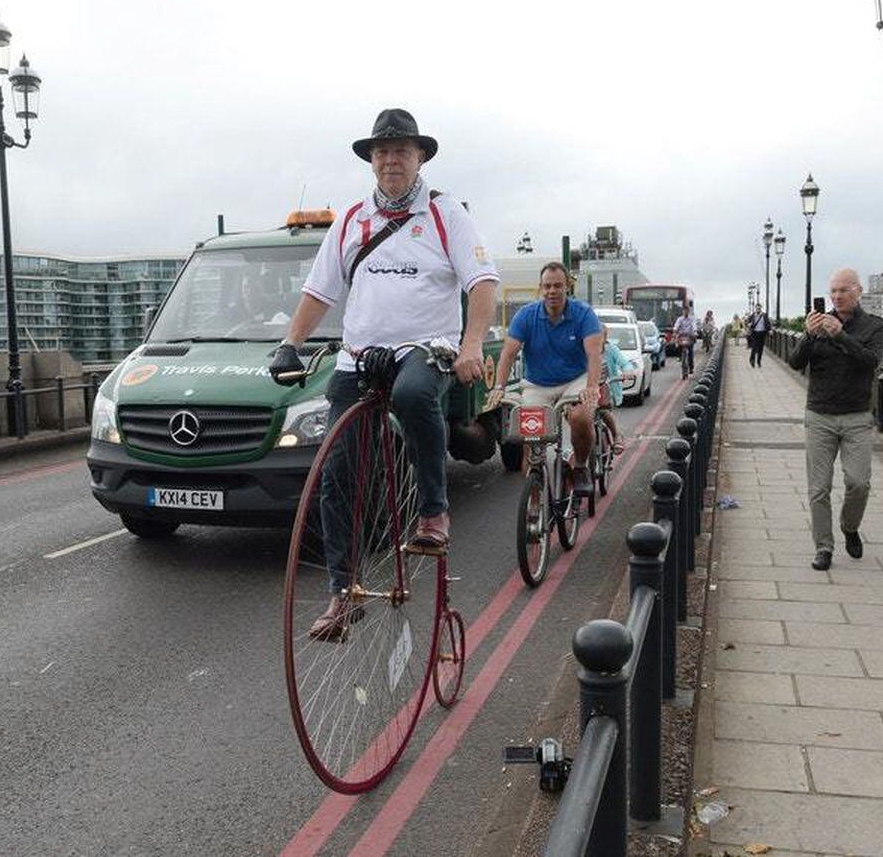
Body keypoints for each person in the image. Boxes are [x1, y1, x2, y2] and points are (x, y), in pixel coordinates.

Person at [269, 108, 498, 638]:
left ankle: (434, 513)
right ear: (371, 161)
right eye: (382, 152)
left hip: (427, 347)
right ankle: (341, 593)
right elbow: (319, 291)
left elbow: (481, 283)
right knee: (335, 472)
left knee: (416, 394)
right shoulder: (352, 221)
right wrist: (289, 345)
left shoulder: (446, 216)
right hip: (360, 354)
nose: (391, 159)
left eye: (402, 150)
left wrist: (470, 345)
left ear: (420, 158)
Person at [788, 268, 883, 571]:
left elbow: (870, 361)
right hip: (819, 414)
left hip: (857, 416)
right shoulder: (818, 324)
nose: (837, 296)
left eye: (844, 290)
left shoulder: (874, 326)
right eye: (833, 291)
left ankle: (849, 526)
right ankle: (824, 547)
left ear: (858, 292)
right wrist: (807, 335)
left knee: (858, 483)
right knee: (819, 488)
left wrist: (840, 335)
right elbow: (795, 363)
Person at [485, 262, 603, 492]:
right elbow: (508, 354)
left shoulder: (584, 314)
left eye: (557, 286)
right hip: (537, 385)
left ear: (567, 287)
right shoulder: (526, 316)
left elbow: (594, 354)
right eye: (547, 286)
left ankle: (579, 467)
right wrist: (499, 386)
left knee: (581, 417)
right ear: (541, 288)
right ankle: (534, 496)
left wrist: (591, 387)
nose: (552, 291)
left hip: (574, 380)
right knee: (530, 437)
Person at [598, 325, 636, 454]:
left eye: (600, 336)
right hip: (587, 391)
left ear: (605, 338)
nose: (596, 339)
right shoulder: (584, 350)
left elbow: (625, 363)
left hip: (606, 389)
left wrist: (627, 371)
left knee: (603, 411)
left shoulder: (611, 350)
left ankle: (616, 435)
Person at [673, 306, 699, 377]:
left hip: (689, 336)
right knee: (677, 345)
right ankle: (679, 356)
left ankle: (691, 367)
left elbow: (694, 326)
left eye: (687, 311)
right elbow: (676, 326)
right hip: (682, 336)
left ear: (688, 311)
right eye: (684, 311)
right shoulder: (680, 319)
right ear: (682, 311)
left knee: (690, 352)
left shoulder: (692, 319)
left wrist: (695, 332)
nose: (685, 312)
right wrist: (675, 331)